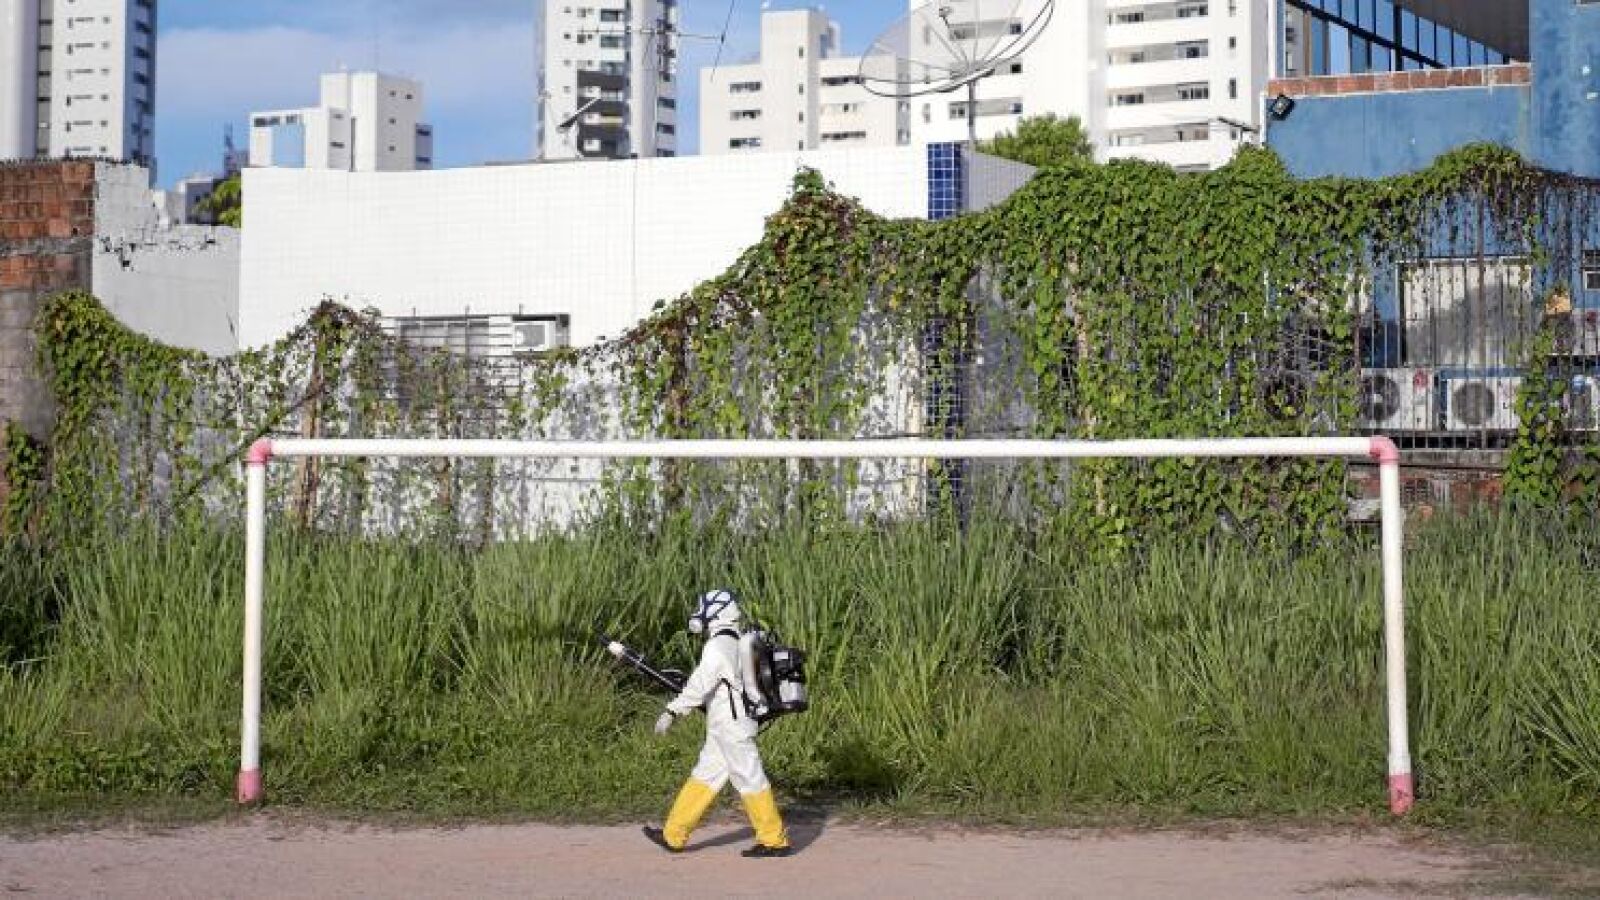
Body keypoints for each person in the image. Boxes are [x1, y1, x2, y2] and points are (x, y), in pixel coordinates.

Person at [643, 589, 792, 858]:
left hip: (731, 725)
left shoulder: (718, 645)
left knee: (750, 778)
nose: (699, 613)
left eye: (703, 607)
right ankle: (673, 834)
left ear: (716, 612)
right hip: (726, 725)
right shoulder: (735, 641)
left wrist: (672, 711)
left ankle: (774, 840)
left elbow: (700, 684)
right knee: (705, 775)